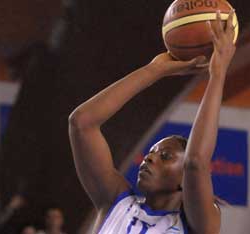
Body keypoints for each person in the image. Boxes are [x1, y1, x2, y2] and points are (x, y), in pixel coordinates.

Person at [68, 10, 236, 234]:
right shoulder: (115, 201)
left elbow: (195, 161)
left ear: (183, 180)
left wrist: (217, 74)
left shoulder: (197, 225)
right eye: (152, 152)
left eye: (165, 156)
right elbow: (81, 123)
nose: (149, 158)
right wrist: (153, 70)